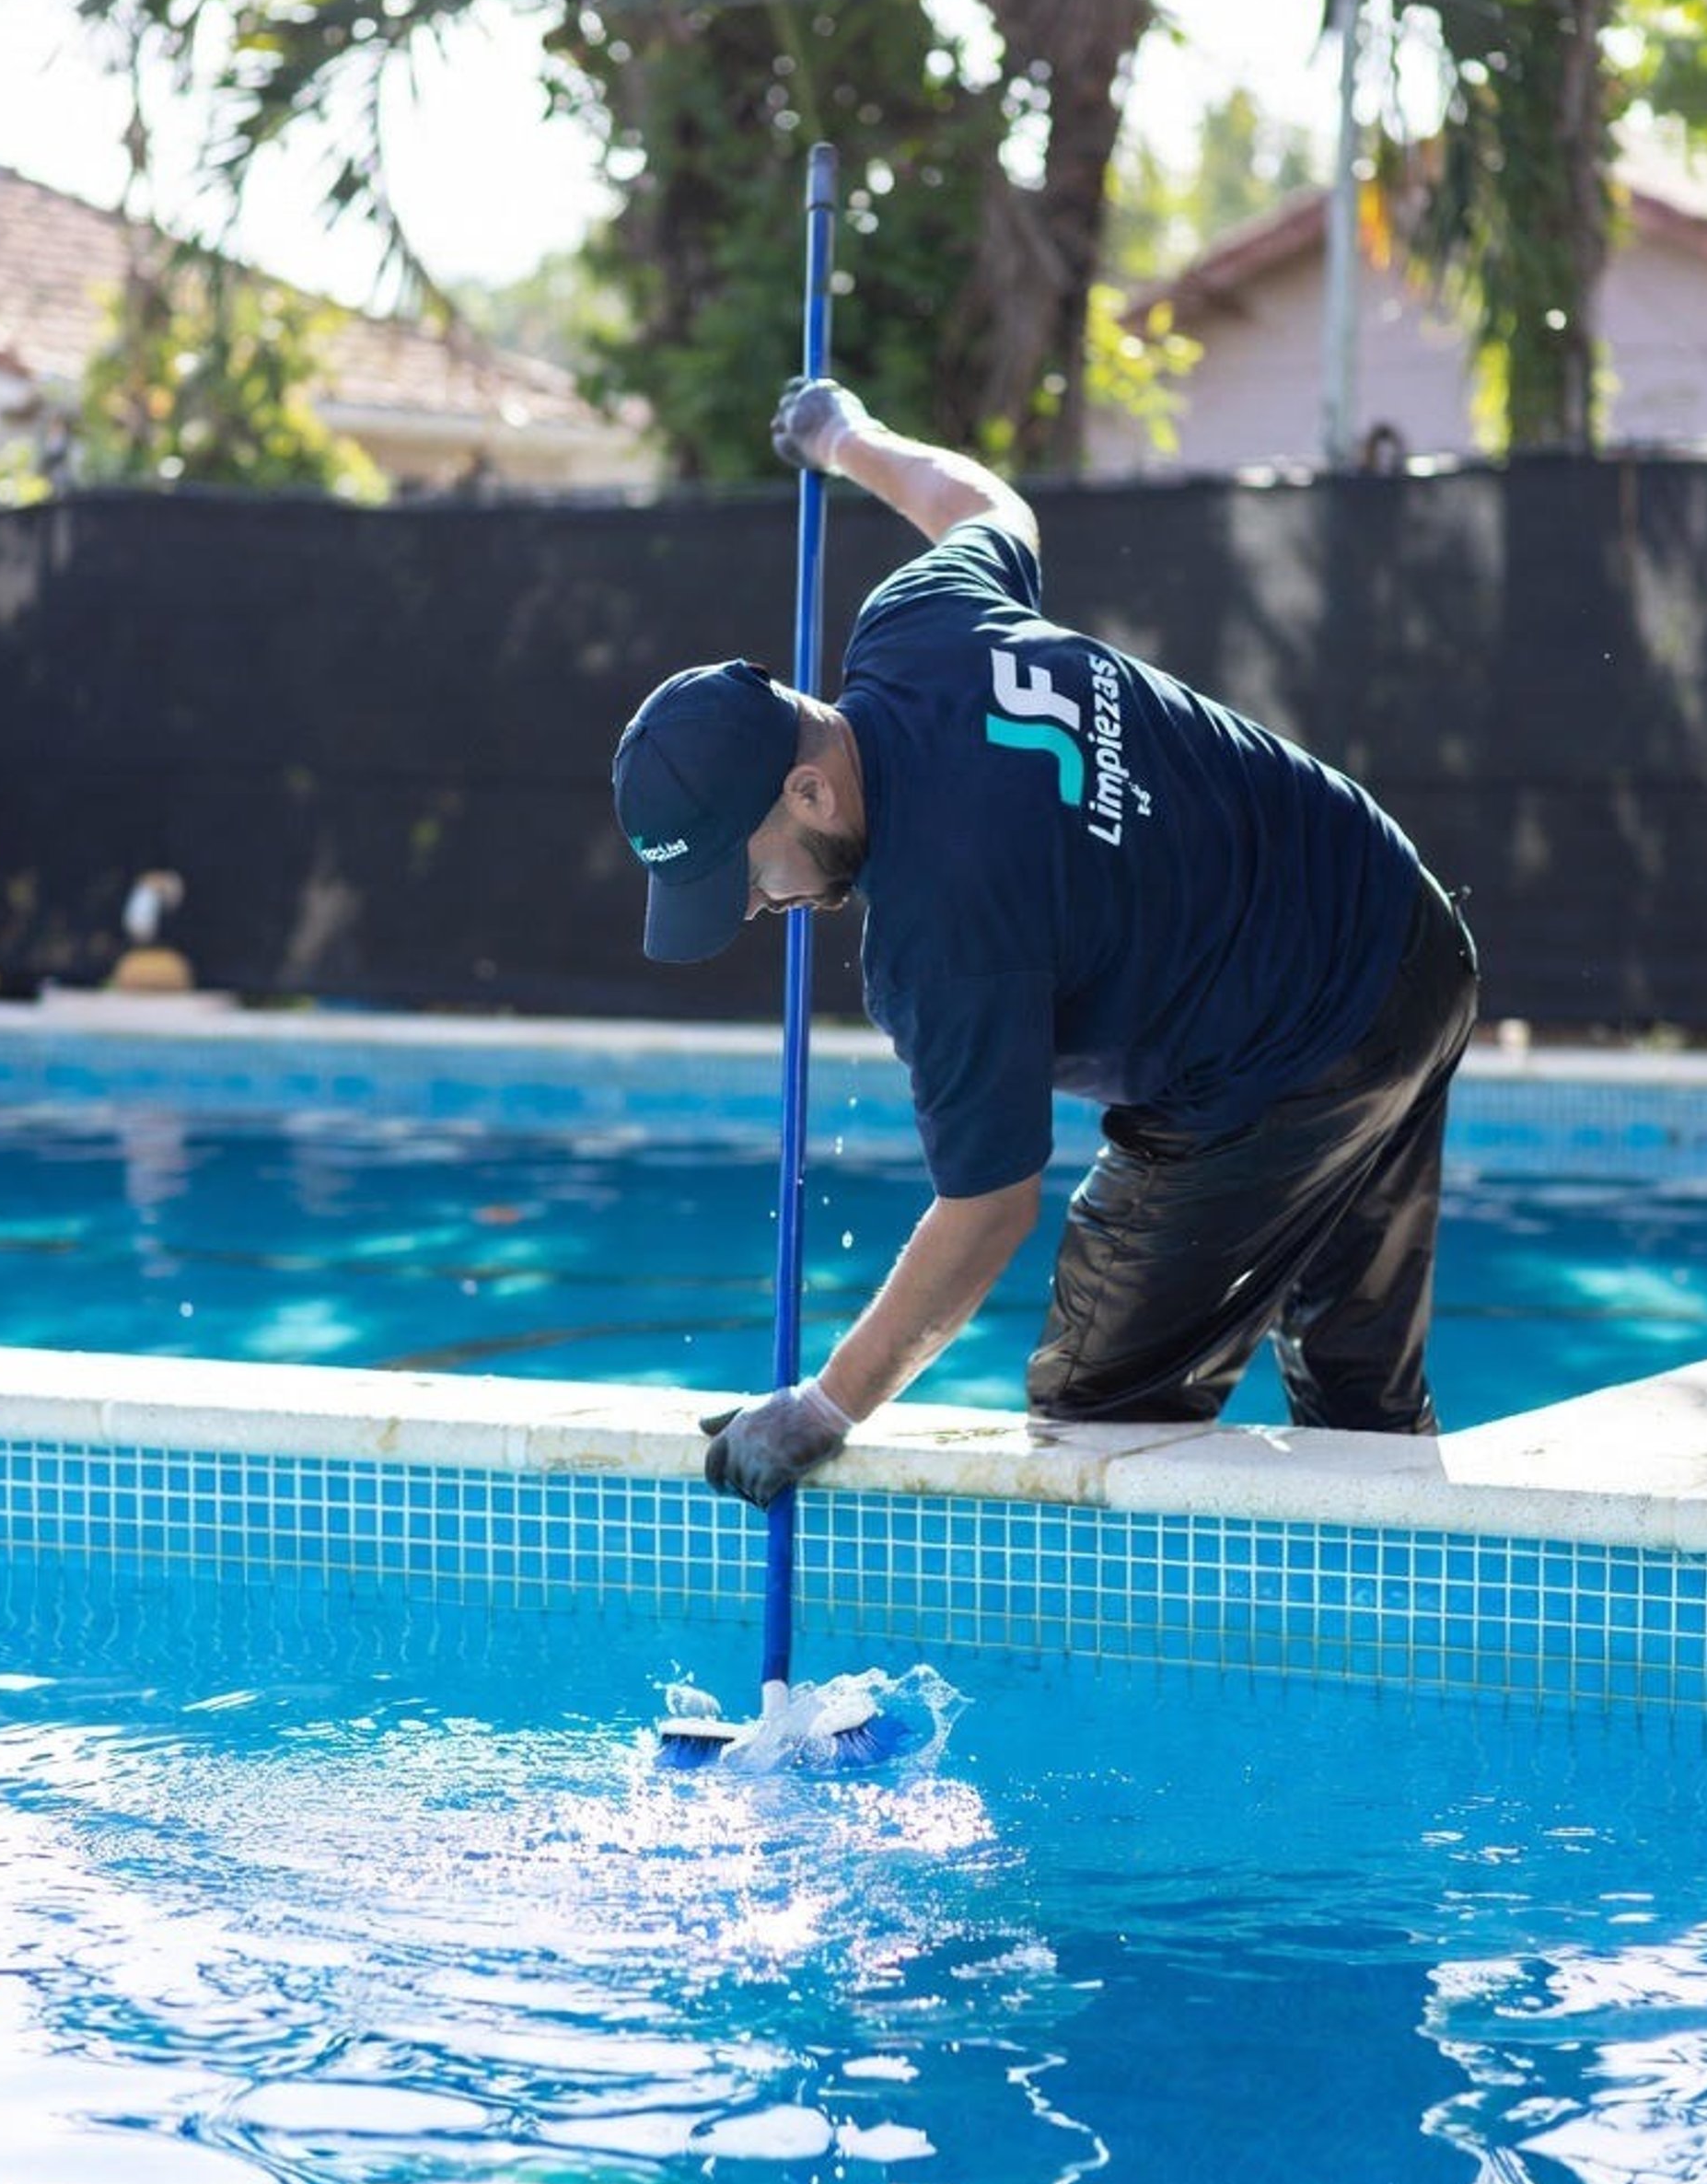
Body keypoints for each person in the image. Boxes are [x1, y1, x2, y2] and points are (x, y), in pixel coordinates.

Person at [611, 378, 1480, 1509]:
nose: (752, 907)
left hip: (1296, 1041)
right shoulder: (918, 624)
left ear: (812, 789)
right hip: (1405, 927)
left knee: (1099, 1408)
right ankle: (1402, 1630)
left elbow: (987, 1209)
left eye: (745, 872)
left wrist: (825, 1406)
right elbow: (985, 505)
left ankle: (1177, 1665)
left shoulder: (939, 933)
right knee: (1362, 1404)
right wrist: (851, 439)